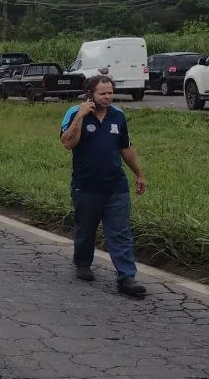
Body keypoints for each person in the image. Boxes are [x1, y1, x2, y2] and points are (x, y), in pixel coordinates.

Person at [60, 74, 148, 297]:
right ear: (91, 94)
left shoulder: (118, 116)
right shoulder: (74, 113)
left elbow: (125, 148)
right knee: (86, 230)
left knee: (120, 232)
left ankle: (126, 277)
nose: (108, 97)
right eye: (103, 93)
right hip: (86, 185)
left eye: (110, 93)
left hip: (115, 185)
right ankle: (82, 263)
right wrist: (80, 115)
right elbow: (68, 143)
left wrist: (139, 173)